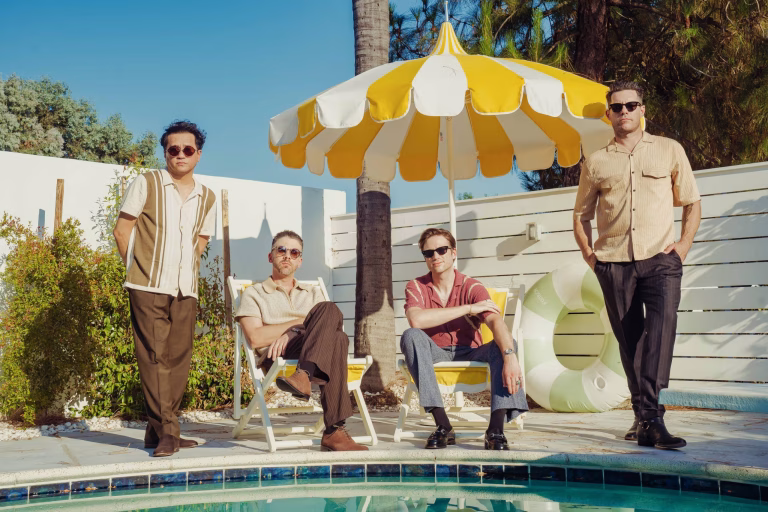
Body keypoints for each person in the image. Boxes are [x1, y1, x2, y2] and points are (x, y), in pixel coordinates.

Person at [573, 81, 701, 450]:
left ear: (642, 110)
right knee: (629, 341)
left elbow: (691, 202)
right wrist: (591, 257)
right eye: (617, 107)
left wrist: (683, 246)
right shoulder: (596, 162)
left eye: (631, 105)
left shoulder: (669, 149)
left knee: (660, 333)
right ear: (608, 114)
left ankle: (651, 418)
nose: (624, 112)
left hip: (661, 260)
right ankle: (644, 416)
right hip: (613, 263)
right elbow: (580, 216)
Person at [113, 120, 216, 457]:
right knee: (155, 356)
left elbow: (201, 240)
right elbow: (122, 230)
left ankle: (155, 431)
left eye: (188, 149)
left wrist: (187, 269)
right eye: (173, 149)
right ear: (166, 153)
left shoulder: (208, 197)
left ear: (198, 154)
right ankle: (169, 431)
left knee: (178, 359)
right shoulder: (147, 183)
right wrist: (138, 267)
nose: (180, 155)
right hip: (148, 284)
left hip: (186, 288)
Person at [235, 230, 367, 451]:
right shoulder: (255, 293)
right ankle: (334, 430)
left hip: (309, 351)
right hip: (277, 354)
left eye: (294, 252)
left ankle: (303, 375)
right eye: (281, 250)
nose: (287, 255)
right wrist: (296, 326)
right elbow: (256, 338)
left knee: (335, 329)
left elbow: (329, 325)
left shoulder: (312, 293)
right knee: (335, 333)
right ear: (270, 256)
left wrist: (294, 331)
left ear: (300, 261)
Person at [400, 228, 528, 451]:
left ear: (453, 252)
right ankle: (443, 425)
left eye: (442, 250)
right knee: (411, 336)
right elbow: (416, 320)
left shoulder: (472, 286)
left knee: (506, 345)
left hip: (471, 351)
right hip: (436, 352)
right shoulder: (416, 286)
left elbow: (496, 322)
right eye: (429, 253)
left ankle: (495, 429)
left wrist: (510, 357)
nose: (435, 256)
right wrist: (468, 308)